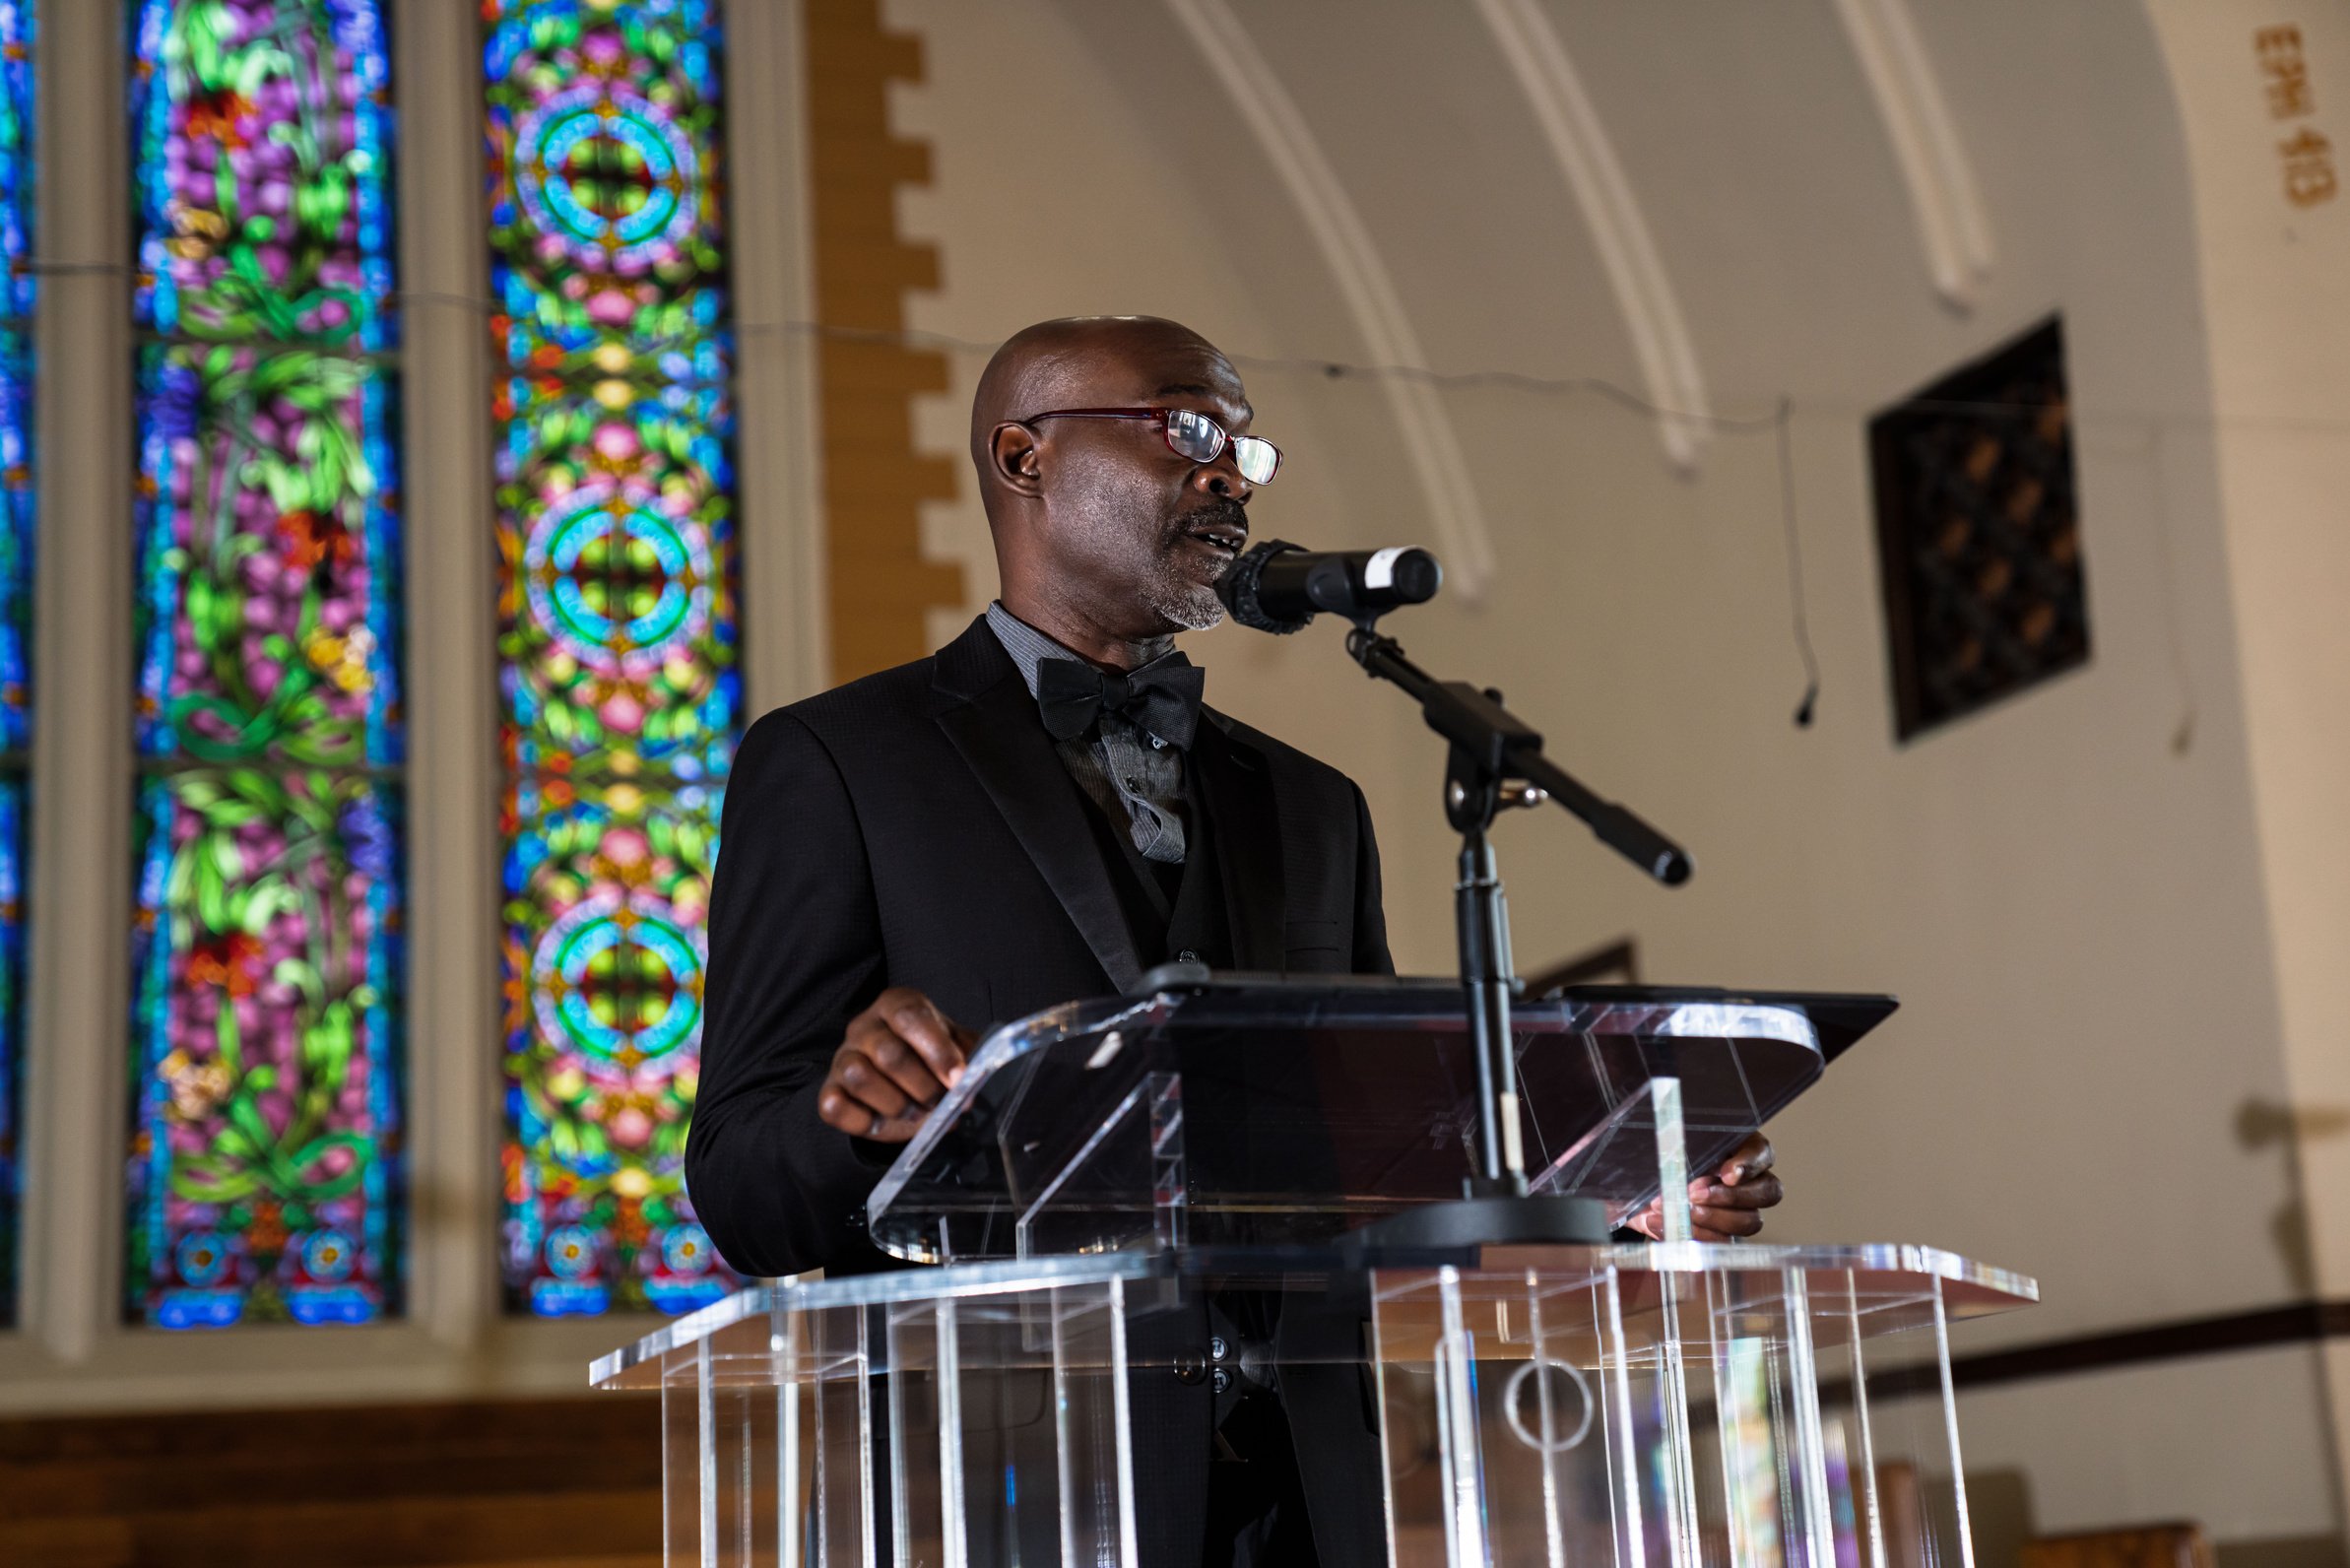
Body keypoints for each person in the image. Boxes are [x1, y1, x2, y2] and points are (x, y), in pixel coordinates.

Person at [685, 315, 1783, 1562]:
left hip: (1311, 1496)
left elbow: (1382, 1152)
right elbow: (734, 1179)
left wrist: (1608, 1185)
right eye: (1186, 429)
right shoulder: (837, 761)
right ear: (1021, 456)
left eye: (1244, 449)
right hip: (1011, 1486)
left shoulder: (1314, 805)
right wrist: (850, 1124)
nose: (1228, 472)